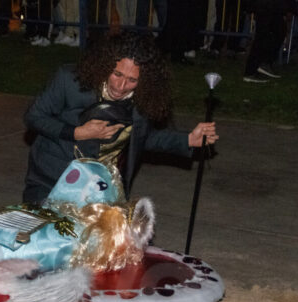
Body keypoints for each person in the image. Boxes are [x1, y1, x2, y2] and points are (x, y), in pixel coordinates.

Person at [23, 32, 218, 203]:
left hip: (102, 190)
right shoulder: (69, 81)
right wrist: (76, 132)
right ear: (106, 64)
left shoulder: (142, 101)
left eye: (132, 80)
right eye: (117, 74)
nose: (121, 86)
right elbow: (34, 116)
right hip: (52, 180)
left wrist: (188, 140)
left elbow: (144, 137)